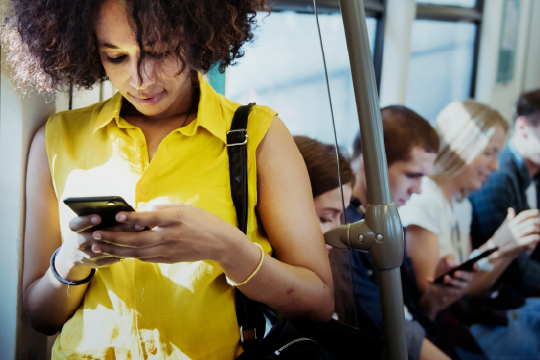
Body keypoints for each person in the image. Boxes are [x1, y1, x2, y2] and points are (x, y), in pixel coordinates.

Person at [3, 1, 335, 358]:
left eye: (160, 52)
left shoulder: (258, 136)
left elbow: (317, 304)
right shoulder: (57, 139)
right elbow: (40, 317)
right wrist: (72, 260)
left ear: (197, 36)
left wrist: (228, 249)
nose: (140, 79)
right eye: (116, 58)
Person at [400, 100, 540, 360]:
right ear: (459, 148)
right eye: (489, 153)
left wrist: (509, 249)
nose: (496, 166)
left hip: (465, 314)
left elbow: (471, 288)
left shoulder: (460, 203)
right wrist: (496, 245)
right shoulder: (424, 203)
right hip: (442, 328)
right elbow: (437, 302)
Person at [336, 106, 461, 360]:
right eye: (411, 175)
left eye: (423, 178)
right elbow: (383, 332)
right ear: (371, 165)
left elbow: (411, 312)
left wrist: (435, 298)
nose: (418, 190)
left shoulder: (389, 223)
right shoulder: (342, 231)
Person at [469, 89, 540, 297]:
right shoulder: (498, 178)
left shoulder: (534, 169)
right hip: (499, 289)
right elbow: (513, 269)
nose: (493, 162)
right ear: (523, 127)